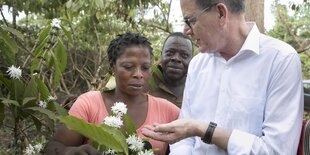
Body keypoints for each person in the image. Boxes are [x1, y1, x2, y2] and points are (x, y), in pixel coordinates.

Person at [142, 0, 304, 154]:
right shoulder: (198, 64)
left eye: (190, 20)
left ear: (221, 13)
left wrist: (205, 130)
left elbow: (277, 151)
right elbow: (184, 138)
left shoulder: (280, 60)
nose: (186, 30)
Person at [44, 32, 180, 155]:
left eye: (145, 68)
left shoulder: (168, 111)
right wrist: (70, 152)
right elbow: (53, 146)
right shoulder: (89, 104)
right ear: (112, 66)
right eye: (128, 67)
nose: (139, 74)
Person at [147, 32, 193, 108]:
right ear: (161, 55)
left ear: (192, 60)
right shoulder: (145, 81)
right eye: (169, 53)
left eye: (184, 55)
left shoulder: (198, 85)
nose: (176, 58)